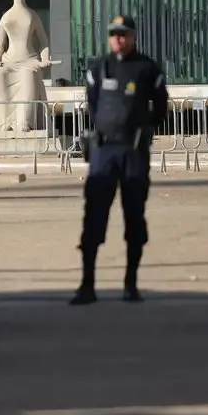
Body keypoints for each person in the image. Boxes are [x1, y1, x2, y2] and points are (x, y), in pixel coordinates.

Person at [74, 15, 168, 306]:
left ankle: (131, 284)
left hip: (133, 152)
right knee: (94, 217)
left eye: (124, 34)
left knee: (134, 215)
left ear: (133, 36)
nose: (119, 39)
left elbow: (161, 106)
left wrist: (145, 128)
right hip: (104, 152)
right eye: (114, 34)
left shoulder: (147, 68)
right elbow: (92, 103)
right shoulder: (99, 67)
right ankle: (87, 285)